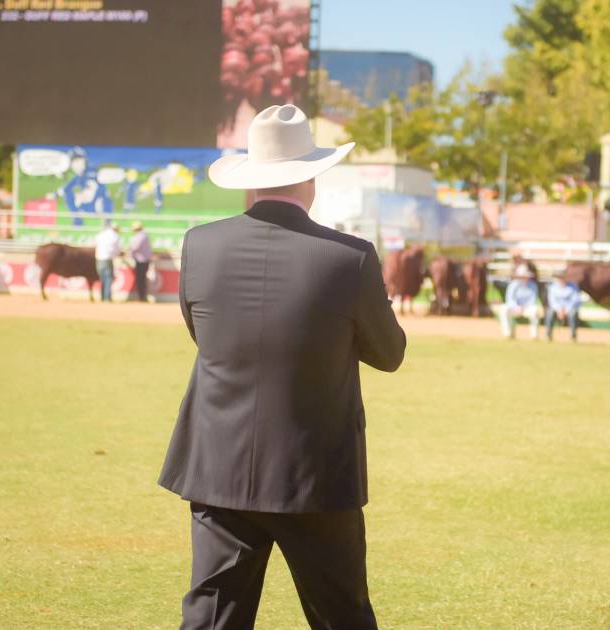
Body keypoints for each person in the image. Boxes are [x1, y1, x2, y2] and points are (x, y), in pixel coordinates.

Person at [159, 104, 405, 629]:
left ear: (250, 179)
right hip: (314, 473)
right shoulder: (351, 258)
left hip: (219, 466)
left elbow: (204, 335)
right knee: (342, 615)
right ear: (311, 176)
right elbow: (390, 354)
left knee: (213, 618)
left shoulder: (199, 245)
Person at [497, 264, 541, 339]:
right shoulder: (513, 285)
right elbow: (509, 299)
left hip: (527, 308)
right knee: (503, 309)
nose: (524, 278)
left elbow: (532, 300)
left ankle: (534, 335)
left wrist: (523, 307)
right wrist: (516, 307)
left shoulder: (533, 286)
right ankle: (507, 333)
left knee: (535, 310)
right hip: (514, 308)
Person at [545, 273, 583, 342]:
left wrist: (566, 310)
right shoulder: (552, 287)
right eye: (560, 278)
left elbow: (576, 300)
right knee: (549, 312)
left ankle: (573, 336)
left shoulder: (573, 286)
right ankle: (548, 335)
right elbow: (552, 301)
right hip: (557, 310)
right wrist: (559, 310)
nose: (561, 279)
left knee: (573, 313)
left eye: (563, 277)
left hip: (570, 309)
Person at [94, 222, 121, 303]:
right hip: (107, 259)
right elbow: (117, 250)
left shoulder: (101, 235)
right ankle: (107, 298)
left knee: (102, 278)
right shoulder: (114, 236)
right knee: (109, 278)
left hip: (99, 259)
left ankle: (102, 297)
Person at [128, 221, 152, 302]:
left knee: (140, 279)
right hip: (144, 260)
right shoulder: (144, 235)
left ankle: (142, 297)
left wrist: (129, 253)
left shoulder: (140, 236)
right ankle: (142, 296)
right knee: (142, 279)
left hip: (141, 261)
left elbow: (134, 247)